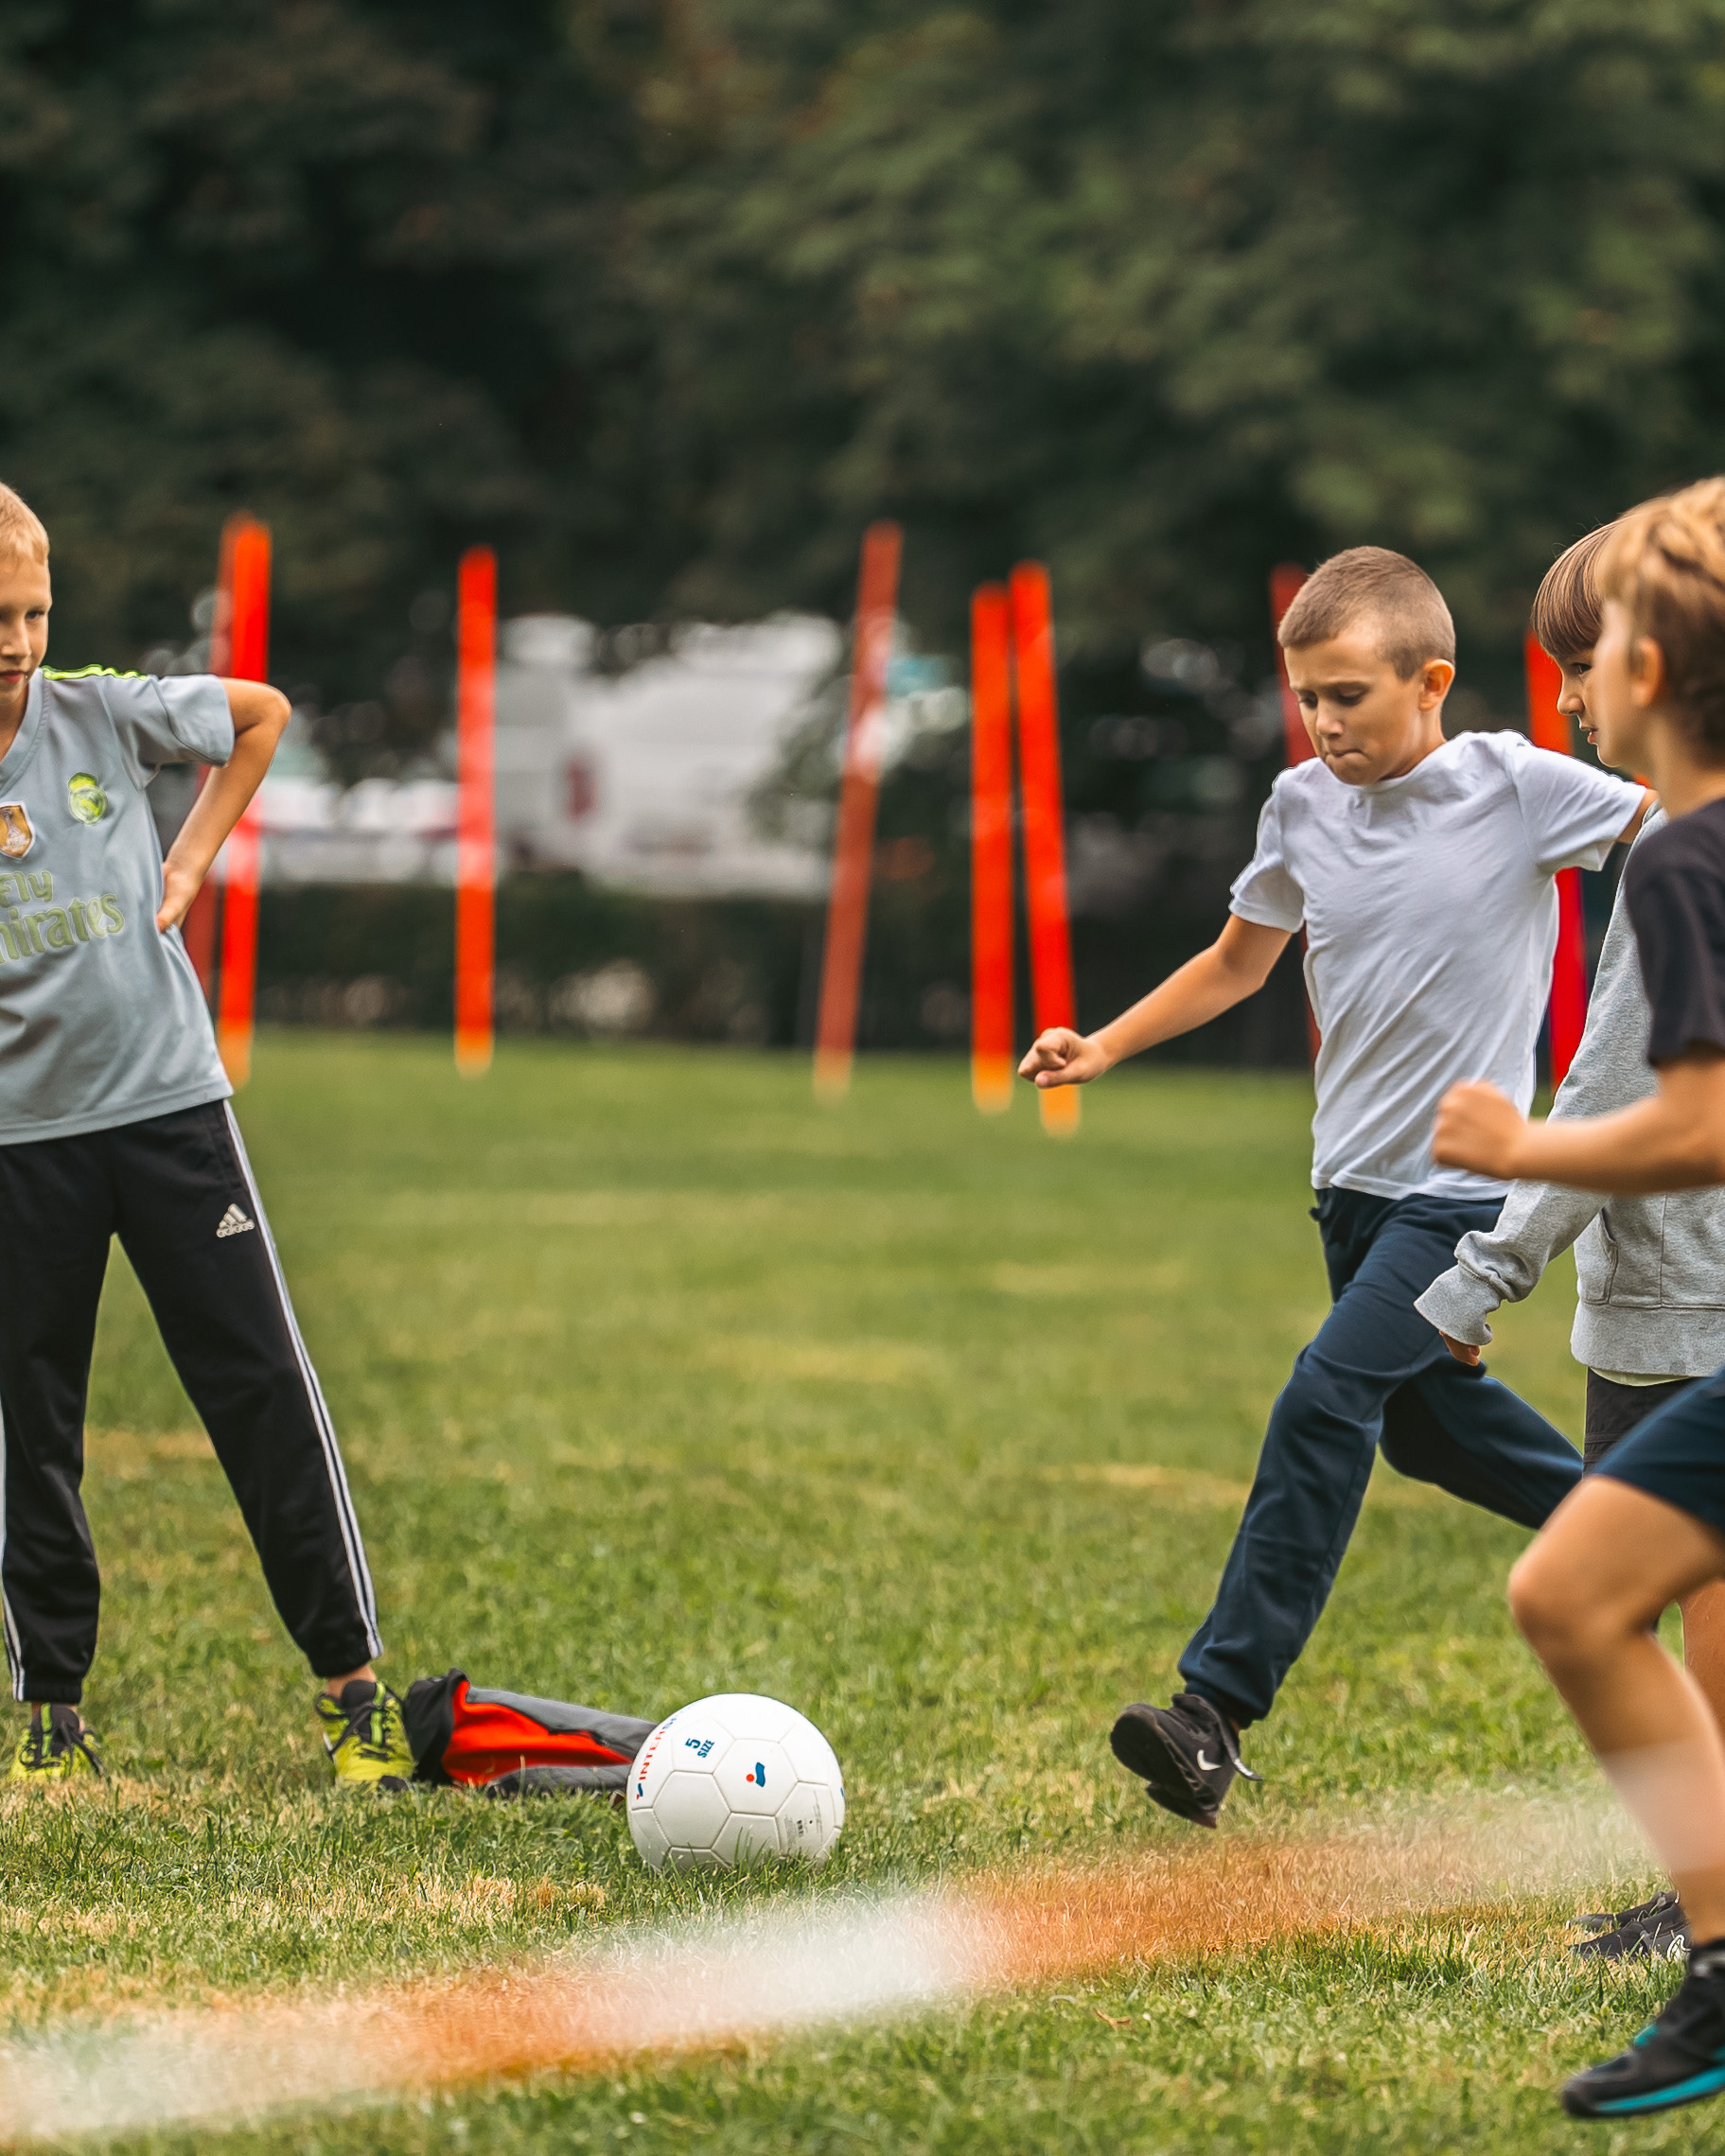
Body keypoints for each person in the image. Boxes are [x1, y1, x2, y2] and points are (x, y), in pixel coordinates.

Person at [1020, 545, 1649, 1828]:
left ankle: (1212, 1712)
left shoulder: (1517, 786)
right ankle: (1662, 1532)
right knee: (1427, 1431)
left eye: (1350, 695)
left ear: (1434, 683)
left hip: (1461, 1190)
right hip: (1352, 1194)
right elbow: (1237, 962)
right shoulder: (1301, 806)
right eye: (1308, 697)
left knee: (1326, 1395)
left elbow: (1680, 825)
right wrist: (1104, 1046)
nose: (1324, 723)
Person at [0, 482, 412, 1790]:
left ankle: (353, 1689)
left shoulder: (97, 710)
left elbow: (260, 715)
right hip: (22, 1145)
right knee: (29, 1429)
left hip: (173, 1113)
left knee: (260, 1390)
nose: (16, 639)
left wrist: (187, 863)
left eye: (33, 611)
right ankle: (51, 1708)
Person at [1434, 477, 1725, 2119]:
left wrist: (1515, 1161)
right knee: (1591, 1595)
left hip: (1702, 1313)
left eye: (1595, 651)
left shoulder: (1686, 864)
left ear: (1664, 671)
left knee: (1579, 1599)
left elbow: (1696, 1123)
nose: (1567, 688)